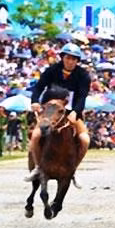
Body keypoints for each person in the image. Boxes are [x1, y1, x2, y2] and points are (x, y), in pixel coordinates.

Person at [25, 43, 91, 180]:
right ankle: (38, 167)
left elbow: (82, 96)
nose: (70, 61)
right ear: (62, 58)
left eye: (74, 59)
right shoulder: (51, 70)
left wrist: (76, 112)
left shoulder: (83, 75)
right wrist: (35, 101)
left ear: (78, 61)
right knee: (36, 136)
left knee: (85, 140)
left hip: (72, 111)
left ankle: (72, 169)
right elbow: (38, 88)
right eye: (68, 58)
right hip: (50, 111)